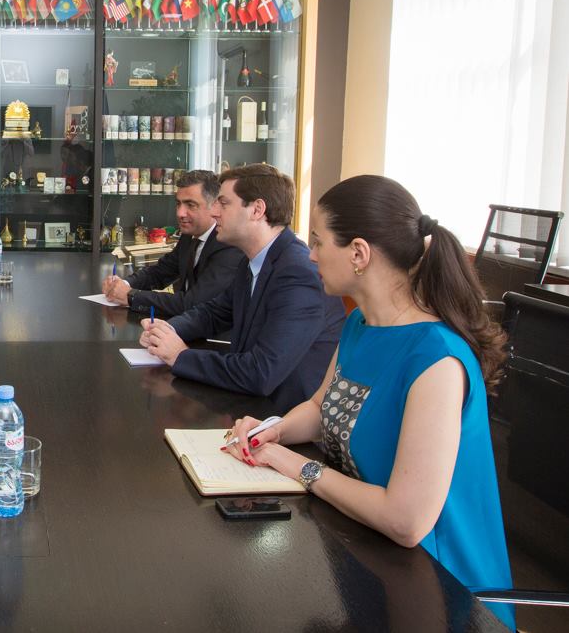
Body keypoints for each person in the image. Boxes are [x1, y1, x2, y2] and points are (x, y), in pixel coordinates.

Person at [223, 175, 513, 626]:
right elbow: (320, 408)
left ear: (358, 253)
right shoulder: (360, 324)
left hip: (444, 593)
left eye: (318, 242)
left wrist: (293, 464)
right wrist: (270, 432)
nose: (310, 254)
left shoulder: (437, 358)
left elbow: (406, 521)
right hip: (370, 558)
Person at [140, 164, 345, 409]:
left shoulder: (298, 274)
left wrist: (180, 356)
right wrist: (167, 330)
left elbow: (260, 373)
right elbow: (215, 312)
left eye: (223, 203)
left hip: (283, 417)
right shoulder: (254, 260)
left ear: (257, 210)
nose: (214, 212)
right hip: (250, 407)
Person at [101, 169, 243, 317]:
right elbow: (160, 272)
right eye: (178, 204)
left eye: (190, 205)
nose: (180, 213)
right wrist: (123, 284)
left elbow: (193, 303)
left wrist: (131, 296)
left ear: (214, 206)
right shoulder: (189, 236)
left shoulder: (229, 245)